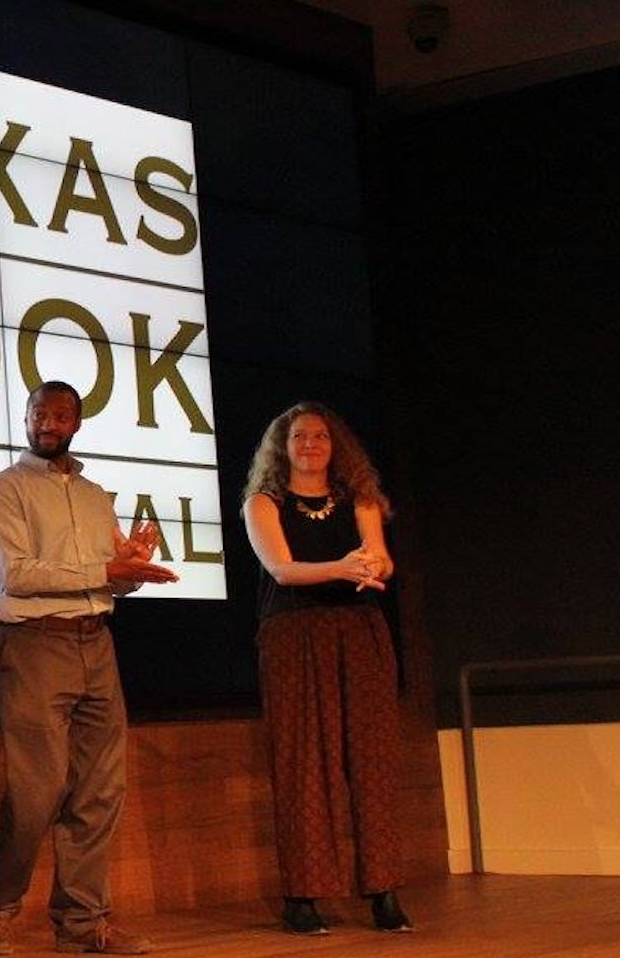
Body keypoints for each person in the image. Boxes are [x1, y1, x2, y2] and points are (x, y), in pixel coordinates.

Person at [0, 381, 177, 957]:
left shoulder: (95, 495)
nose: (48, 423)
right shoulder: (4, 489)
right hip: (34, 642)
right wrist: (104, 568)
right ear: (27, 417)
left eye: (60, 415)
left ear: (76, 424)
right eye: (39, 413)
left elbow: (111, 580)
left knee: (100, 791)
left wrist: (133, 569)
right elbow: (20, 574)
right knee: (36, 792)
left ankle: (84, 924)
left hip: (96, 643)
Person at [240, 401, 411, 936]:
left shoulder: (358, 499)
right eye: (299, 437)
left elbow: (380, 555)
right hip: (294, 635)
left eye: (320, 436)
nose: (311, 445)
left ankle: (383, 893)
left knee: (372, 761)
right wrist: (342, 566)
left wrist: (375, 565)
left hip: (358, 632)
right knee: (303, 765)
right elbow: (282, 570)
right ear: (282, 447)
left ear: (335, 446)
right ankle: (302, 897)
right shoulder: (262, 503)